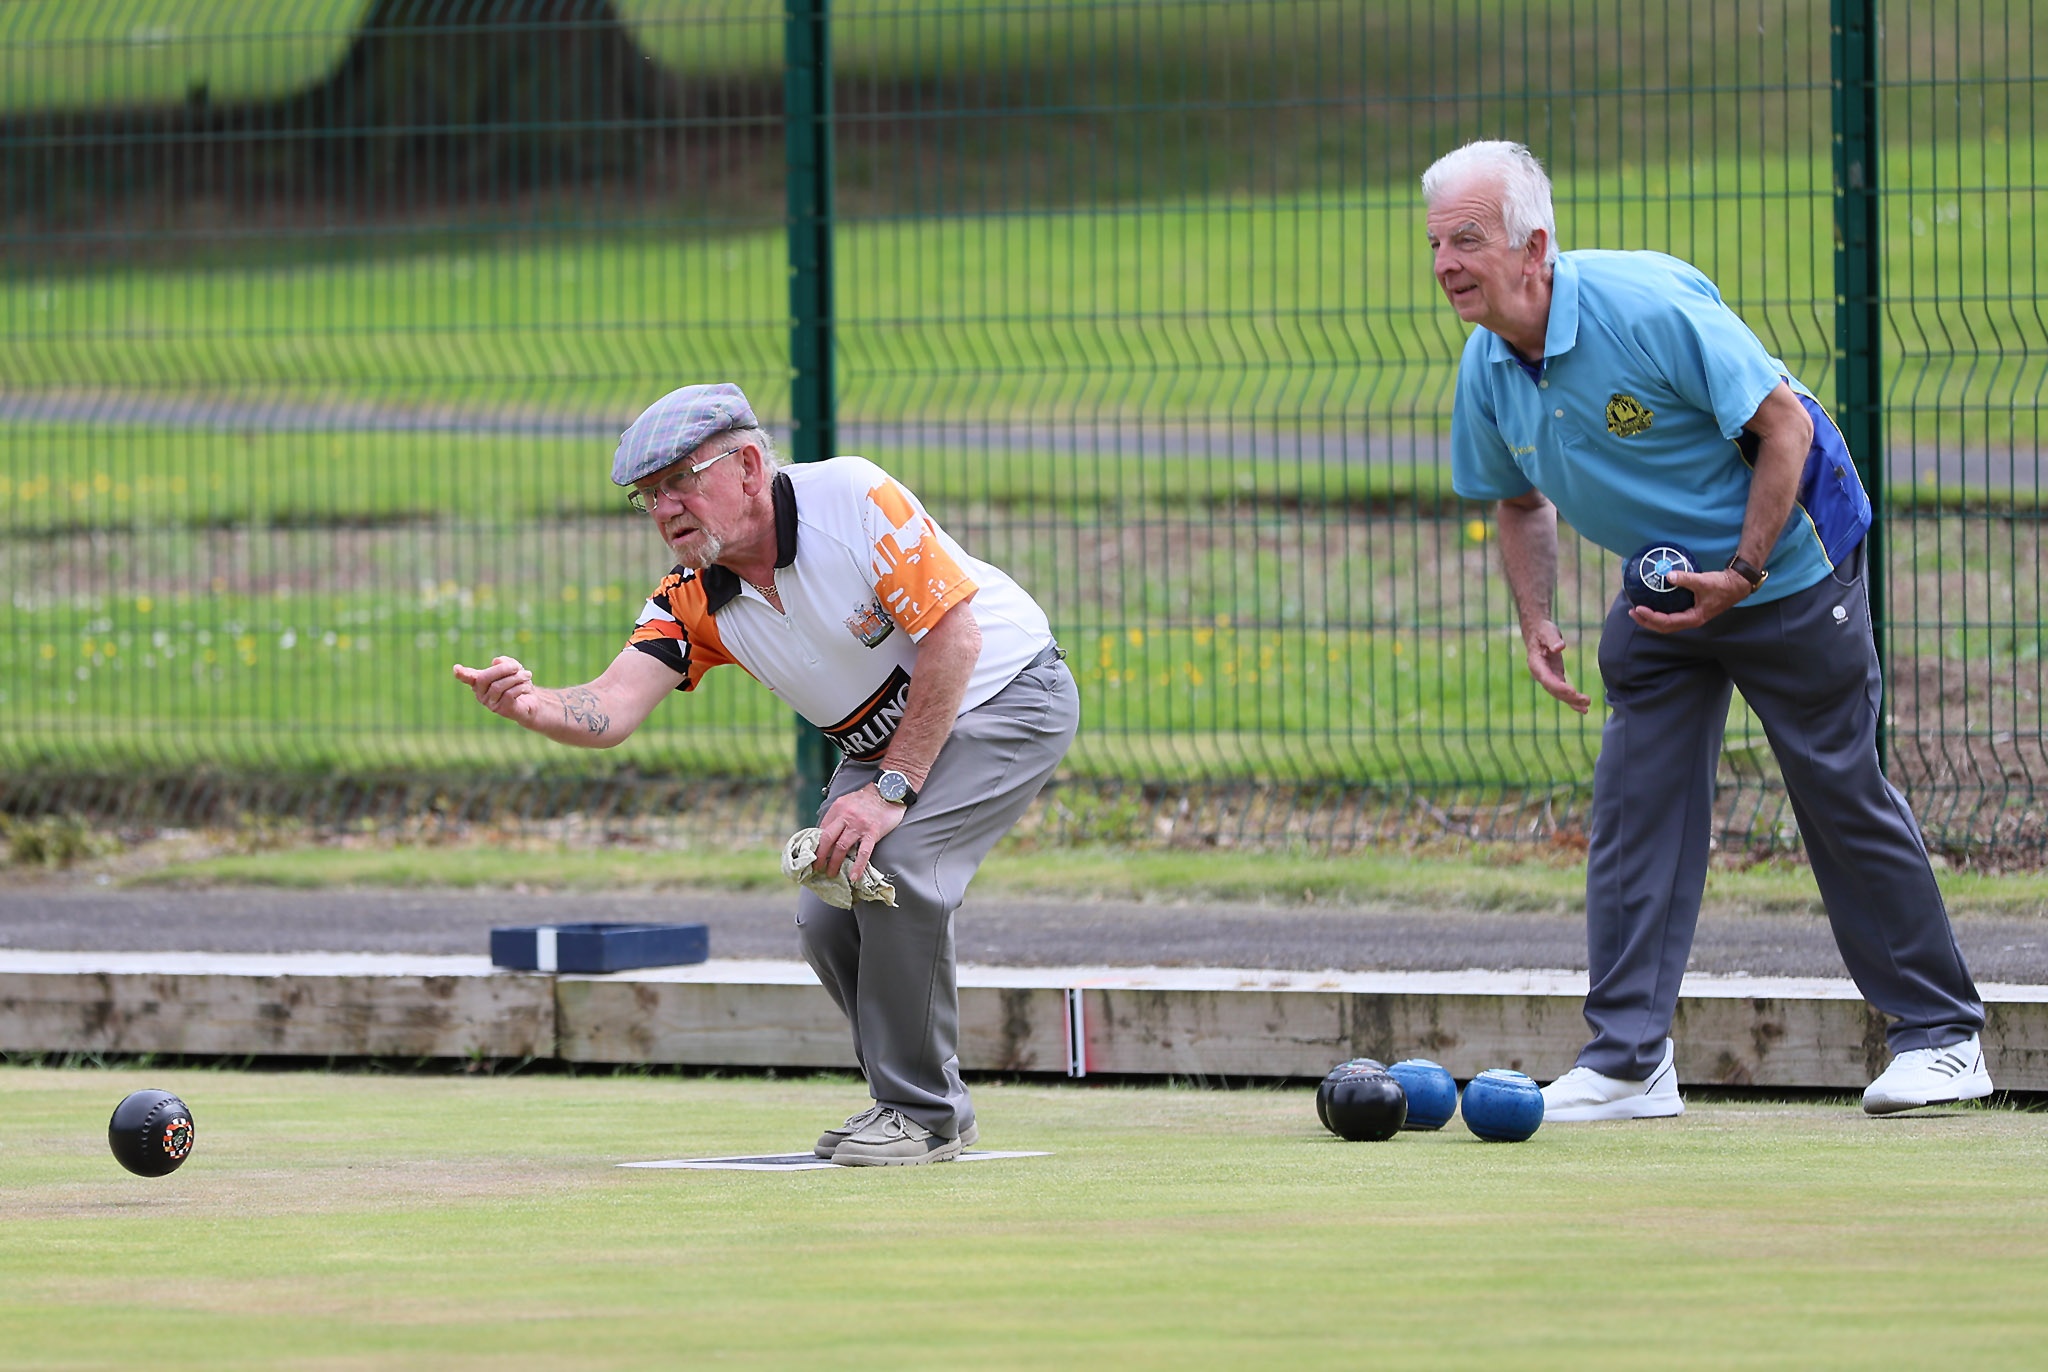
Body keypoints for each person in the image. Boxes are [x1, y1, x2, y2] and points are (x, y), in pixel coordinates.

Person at [1422, 140, 1990, 1119]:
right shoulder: (1486, 364)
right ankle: (1627, 1060)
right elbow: (1517, 502)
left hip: (1790, 559)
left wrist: (1741, 571)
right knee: (1634, 804)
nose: (1443, 266)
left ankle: (1941, 1038)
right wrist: (1538, 617)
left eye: (1465, 241)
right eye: (1434, 245)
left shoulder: (1644, 309)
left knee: (1833, 786)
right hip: (1666, 586)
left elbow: (1784, 427)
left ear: (1533, 246)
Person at [454, 382, 1079, 1163]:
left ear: (749, 466)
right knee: (825, 915)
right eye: (648, 496)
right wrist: (532, 703)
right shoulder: (689, 598)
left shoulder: (850, 495)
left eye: (683, 480)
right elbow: (612, 706)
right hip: (887, 741)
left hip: (1007, 693)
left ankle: (919, 1115)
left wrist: (893, 790)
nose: (666, 508)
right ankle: (922, 1100)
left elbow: (954, 639)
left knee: (897, 869)